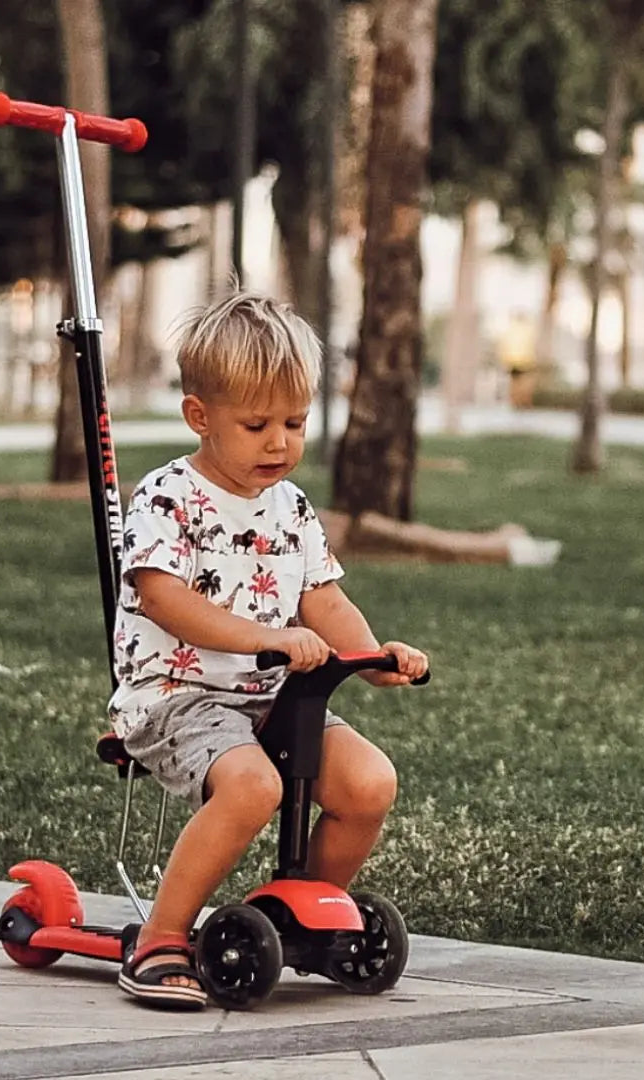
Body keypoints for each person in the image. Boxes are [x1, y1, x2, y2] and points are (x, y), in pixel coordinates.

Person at [109, 289, 428, 1009]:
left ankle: (298, 915)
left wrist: (377, 662)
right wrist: (266, 638)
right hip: (176, 698)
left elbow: (324, 600)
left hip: (270, 700)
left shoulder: (293, 509)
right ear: (201, 417)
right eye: (256, 425)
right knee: (257, 786)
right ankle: (161, 938)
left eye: (295, 422)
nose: (279, 442)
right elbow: (162, 596)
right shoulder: (168, 498)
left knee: (369, 784)